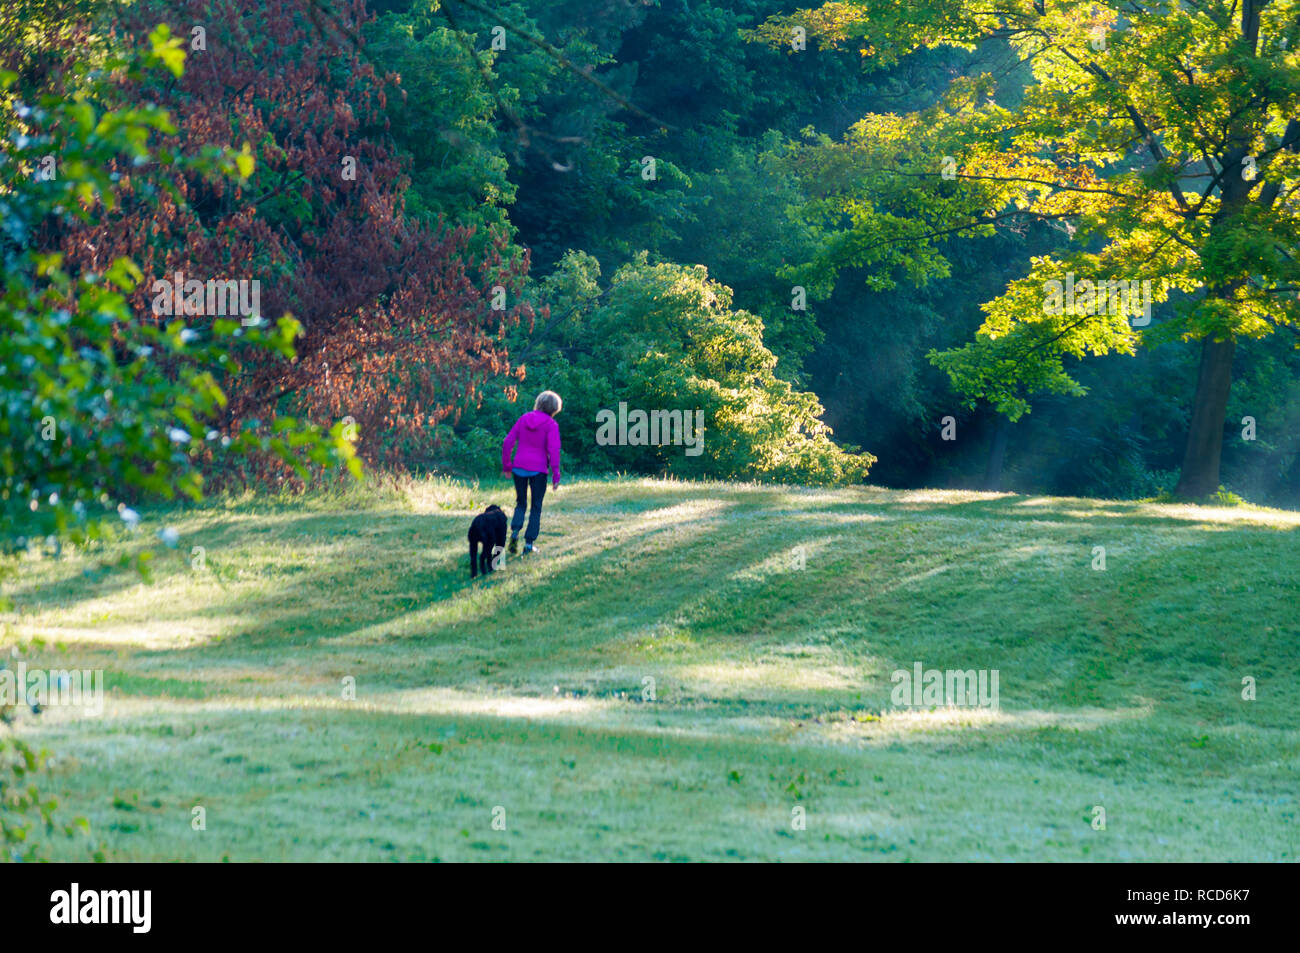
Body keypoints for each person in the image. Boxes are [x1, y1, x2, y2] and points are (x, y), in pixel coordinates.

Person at [501, 390, 562, 554]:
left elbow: (508, 442)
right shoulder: (551, 425)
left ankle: (514, 531)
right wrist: (556, 475)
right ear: (555, 408)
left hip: (519, 467)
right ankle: (528, 544)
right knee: (536, 506)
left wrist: (507, 465)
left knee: (521, 502)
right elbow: (554, 450)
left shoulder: (524, 419)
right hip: (538, 470)